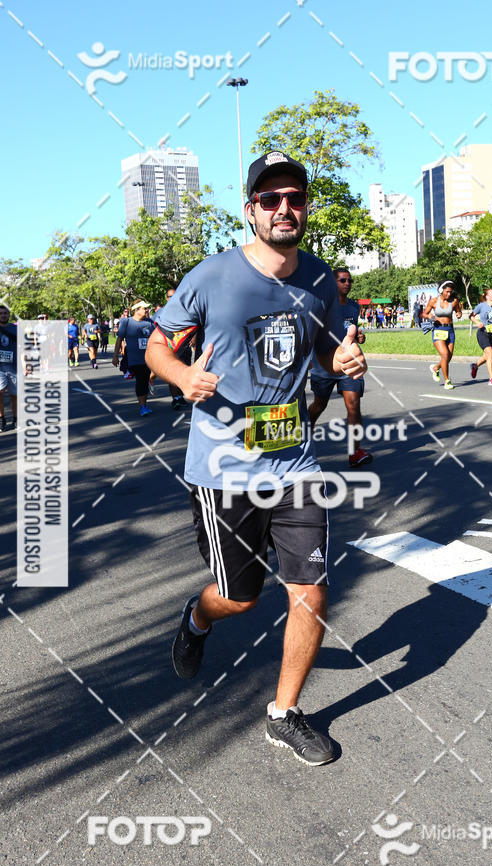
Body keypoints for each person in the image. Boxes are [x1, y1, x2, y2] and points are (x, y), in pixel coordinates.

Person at [146, 151, 367, 766]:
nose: (284, 209)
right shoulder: (211, 276)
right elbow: (158, 346)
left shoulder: (321, 279)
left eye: (293, 197)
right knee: (239, 598)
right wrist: (181, 374)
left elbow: (325, 353)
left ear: (305, 207)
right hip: (223, 469)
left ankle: (284, 714)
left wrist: (341, 364)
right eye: (270, 200)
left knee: (311, 594)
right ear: (251, 211)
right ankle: (196, 618)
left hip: (293, 460)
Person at [308, 267, 373, 467]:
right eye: (342, 280)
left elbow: (352, 330)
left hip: (348, 364)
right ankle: (303, 440)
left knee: (354, 406)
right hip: (324, 364)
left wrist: (360, 337)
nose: (347, 284)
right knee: (319, 405)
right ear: (332, 283)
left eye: (349, 280)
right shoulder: (322, 306)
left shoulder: (354, 306)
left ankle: (355, 452)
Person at [112, 301, 155, 415]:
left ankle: (144, 405)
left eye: (147, 309)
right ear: (137, 310)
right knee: (141, 381)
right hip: (134, 358)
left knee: (144, 381)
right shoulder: (127, 322)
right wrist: (115, 356)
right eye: (144, 308)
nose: (146, 310)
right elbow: (119, 339)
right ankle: (143, 407)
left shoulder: (150, 323)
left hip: (148, 358)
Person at [424, 280, 463, 390]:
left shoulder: (454, 301)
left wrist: (459, 314)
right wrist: (430, 317)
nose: (449, 294)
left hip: (450, 330)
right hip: (438, 330)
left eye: (450, 292)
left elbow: (458, 311)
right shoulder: (434, 301)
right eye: (447, 291)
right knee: (445, 355)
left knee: (449, 356)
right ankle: (447, 381)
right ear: (441, 290)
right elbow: (424, 313)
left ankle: (436, 368)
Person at [469, 288, 492, 385]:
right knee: (490, 353)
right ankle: (491, 379)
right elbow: (471, 316)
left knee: (487, 356)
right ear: (487, 296)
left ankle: (475, 366)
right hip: (482, 333)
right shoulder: (481, 306)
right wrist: (477, 322)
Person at [0, 304, 17, 432]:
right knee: (0, 392)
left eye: (5, 313)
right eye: (1, 313)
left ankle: (16, 419)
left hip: (14, 367)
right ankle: (2, 419)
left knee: (14, 396)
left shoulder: (14, 329)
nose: (3, 315)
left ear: (8, 315)